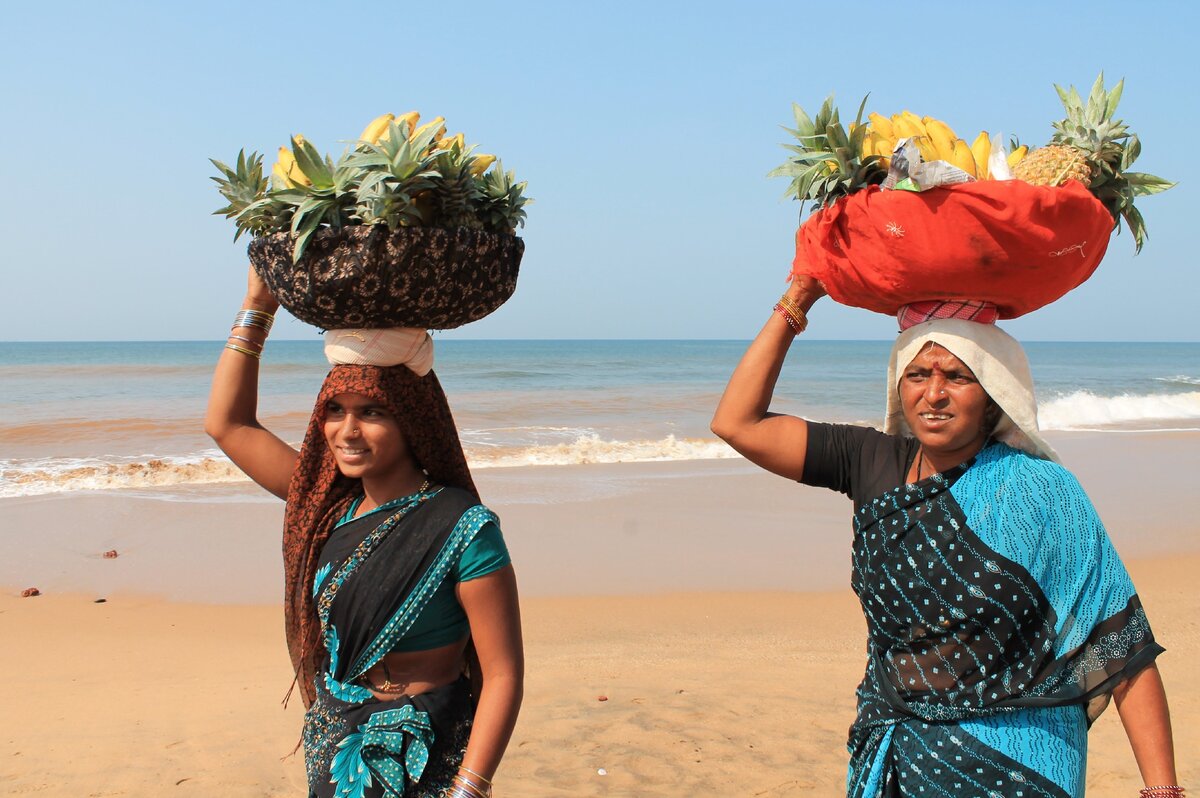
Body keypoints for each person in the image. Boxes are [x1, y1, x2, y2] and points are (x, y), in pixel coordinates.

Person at [711, 277, 1183, 798]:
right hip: (899, 754)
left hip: (1019, 764)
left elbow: (1119, 646)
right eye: (917, 374)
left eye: (956, 377)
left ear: (992, 394)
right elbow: (737, 422)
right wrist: (797, 301)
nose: (933, 394)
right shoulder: (870, 461)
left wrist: (1163, 791)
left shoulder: (1043, 491)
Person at [206, 267, 523, 798]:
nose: (347, 431)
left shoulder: (463, 528)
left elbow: (503, 674)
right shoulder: (326, 510)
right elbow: (228, 424)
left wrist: (470, 789)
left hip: (429, 749)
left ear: (413, 421)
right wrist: (257, 306)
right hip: (337, 737)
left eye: (372, 412)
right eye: (335, 410)